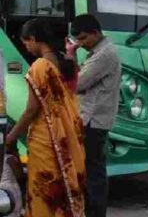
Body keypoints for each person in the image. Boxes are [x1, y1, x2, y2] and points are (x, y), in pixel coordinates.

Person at [4, 18, 85, 217]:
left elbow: (32, 109)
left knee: (45, 191)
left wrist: (11, 137)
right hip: (67, 135)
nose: (27, 48)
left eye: (26, 43)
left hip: (46, 140)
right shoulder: (66, 62)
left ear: (33, 39)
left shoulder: (40, 66)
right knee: (62, 189)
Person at [69, 14, 121, 217]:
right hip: (93, 118)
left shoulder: (104, 54)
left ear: (95, 33)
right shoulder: (98, 51)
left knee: (94, 173)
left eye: (83, 39)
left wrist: (70, 56)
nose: (81, 44)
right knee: (91, 171)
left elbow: (77, 84)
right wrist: (72, 55)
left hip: (94, 120)